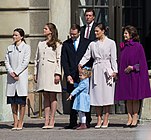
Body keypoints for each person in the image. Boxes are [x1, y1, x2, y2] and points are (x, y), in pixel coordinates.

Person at [78, 23, 118, 129]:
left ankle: (106, 118)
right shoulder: (92, 44)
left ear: (103, 31)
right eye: (94, 31)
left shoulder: (111, 43)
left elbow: (113, 58)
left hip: (107, 69)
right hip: (96, 69)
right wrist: (81, 64)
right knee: (97, 95)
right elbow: (87, 56)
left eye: (97, 31)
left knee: (106, 95)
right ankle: (99, 119)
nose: (95, 33)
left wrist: (115, 71)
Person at [115, 25, 151, 128]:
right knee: (128, 98)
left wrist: (133, 67)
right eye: (124, 33)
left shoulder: (138, 46)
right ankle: (129, 117)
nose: (124, 35)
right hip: (125, 76)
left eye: (126, 33)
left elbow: (143, 63)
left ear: (131, 34)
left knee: (135, 98)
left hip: (135, 76)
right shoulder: (123, 47)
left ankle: (135, 118)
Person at [61, 24, 92, 129]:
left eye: (74, 34)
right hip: (72, 75)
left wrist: (86, 73)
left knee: (84, 98)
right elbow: (64, 60)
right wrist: (67, 75)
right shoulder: (66, 44)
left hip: (84, 73)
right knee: (73, 98)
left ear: (79, 33)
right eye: (71, 34)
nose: (72, 36)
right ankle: (73, 121)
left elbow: (90, 58)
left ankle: (86, 121)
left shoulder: (87, 42)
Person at [34, 23, 62, 129]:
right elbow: (36, 59)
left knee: (52, 95)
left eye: (46, 28)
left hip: (52, 72)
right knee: (45, 95)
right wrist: (36, 73)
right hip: (42, 72)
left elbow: (59, 59)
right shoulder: (41, 44)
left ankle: (52, 119)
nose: (43, 30)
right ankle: (46, 119)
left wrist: (58, 73)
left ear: (51, 30)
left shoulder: (57, 44)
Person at [5, 28, 31, 130]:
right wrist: (11, 72)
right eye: (13, 35)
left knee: (21, 101)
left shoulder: (26, 47)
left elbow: (25, 62)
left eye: (16, 35)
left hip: (20, 76)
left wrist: (16, 72)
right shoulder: (9, 47)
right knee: (13, 101)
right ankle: (15, 121)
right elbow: (6, 61)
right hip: (11, 77)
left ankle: (21, 121)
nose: (14, 37)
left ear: (21, 36)